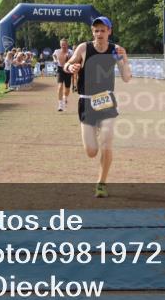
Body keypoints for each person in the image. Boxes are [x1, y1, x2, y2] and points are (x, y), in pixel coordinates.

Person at [63, 17, 131, 198]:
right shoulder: (84, 48)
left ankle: (101, 183)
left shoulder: (115, 50)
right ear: (93, 32)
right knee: (92, 151)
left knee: (107, 141)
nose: (99, 34)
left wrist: (125, 59)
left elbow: (126, 77)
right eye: (96, 30)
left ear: (109, 31)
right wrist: (71, 67)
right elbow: (67, 64)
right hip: (86, 102)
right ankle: (92, 136)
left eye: (102, 30)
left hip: (107, 100)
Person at [53, 38, 73, 112]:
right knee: (60, 86)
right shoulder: (57, 51)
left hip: (68, 70)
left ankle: (65, 97)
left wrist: (69, 58)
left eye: (64, 44)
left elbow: (74, 59)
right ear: (60, 45)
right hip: (60, 70)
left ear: (67, 45)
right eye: (62, 45)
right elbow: (54, 55)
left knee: (67, 89)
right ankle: (60, 105)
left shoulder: (71, 52)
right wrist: (55, 60)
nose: (63, 46)